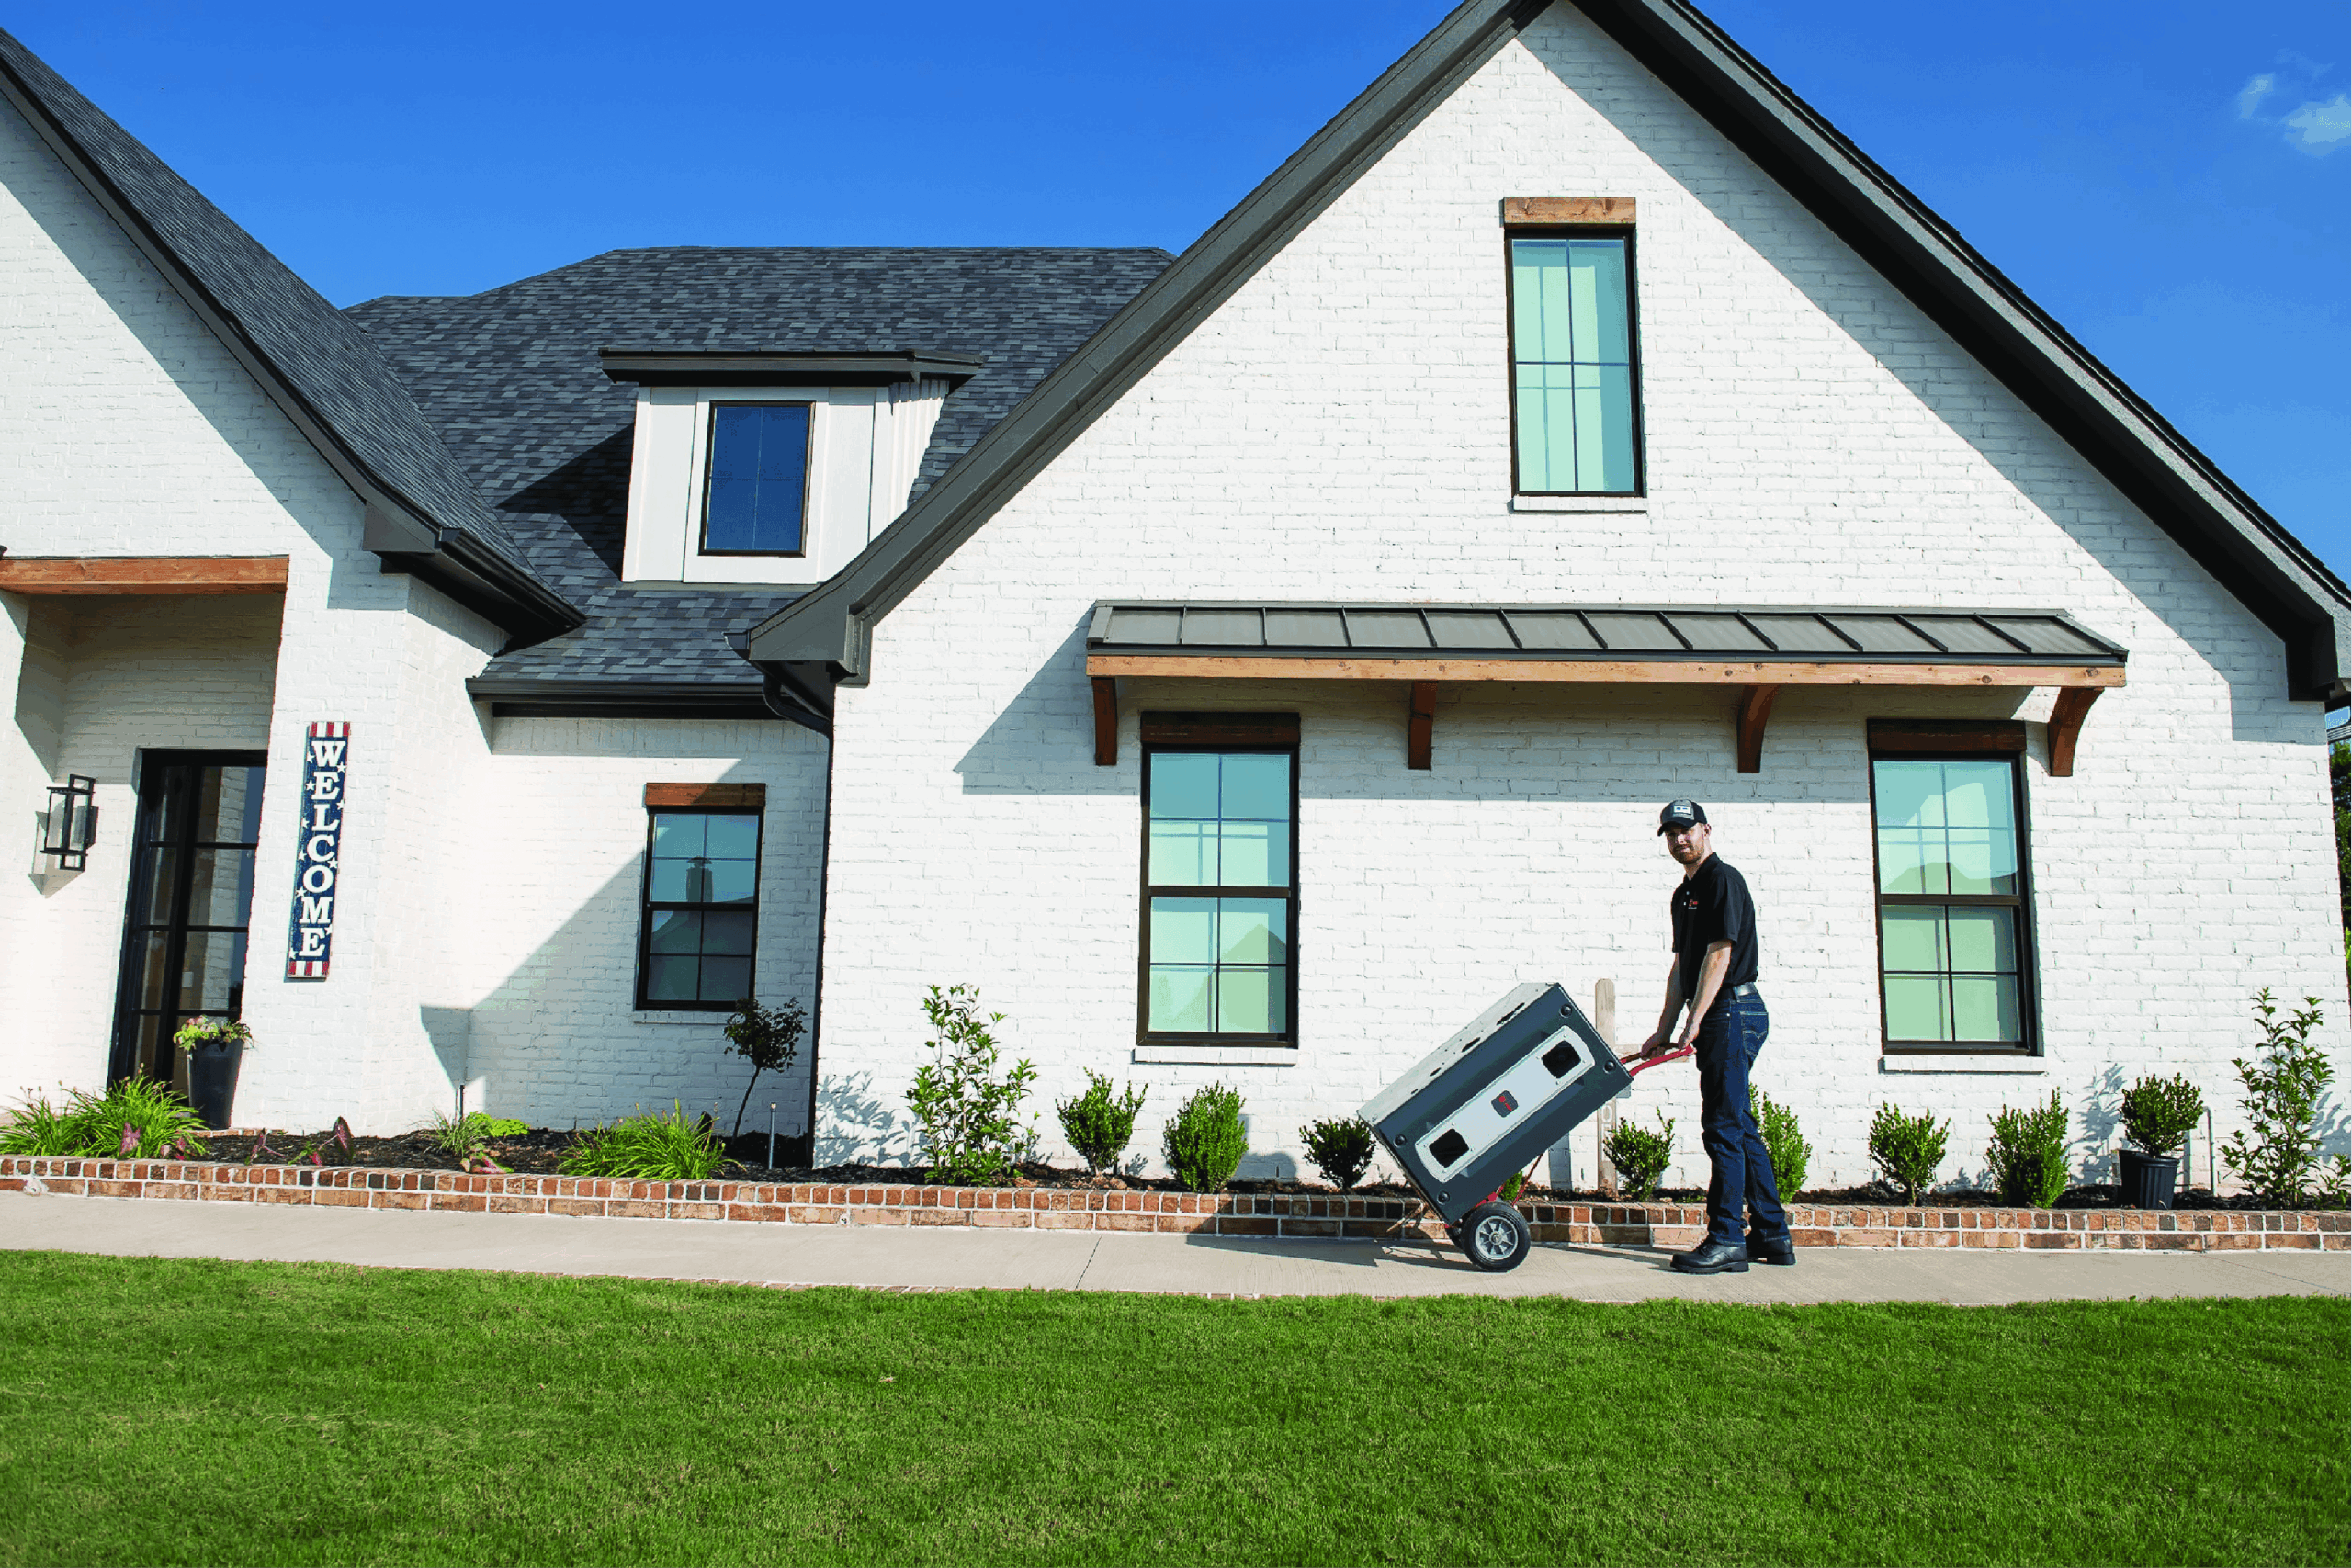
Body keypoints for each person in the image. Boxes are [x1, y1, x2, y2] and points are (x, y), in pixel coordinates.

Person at [1628, 799, 1793, 1274]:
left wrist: (1694, 1021)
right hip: (1720, 1013)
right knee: (1739, 1125)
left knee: (1721, 1127)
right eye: (1670, 834)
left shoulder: (1724, 880)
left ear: (1705, 830)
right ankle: (1772, 1234)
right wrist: (1662, 1030)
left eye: (1686, 830)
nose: (1679, 840)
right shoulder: (1683, 895)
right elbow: (1683, 966)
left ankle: (1726, 1239)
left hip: (1734, 1011)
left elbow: (1720, 954)